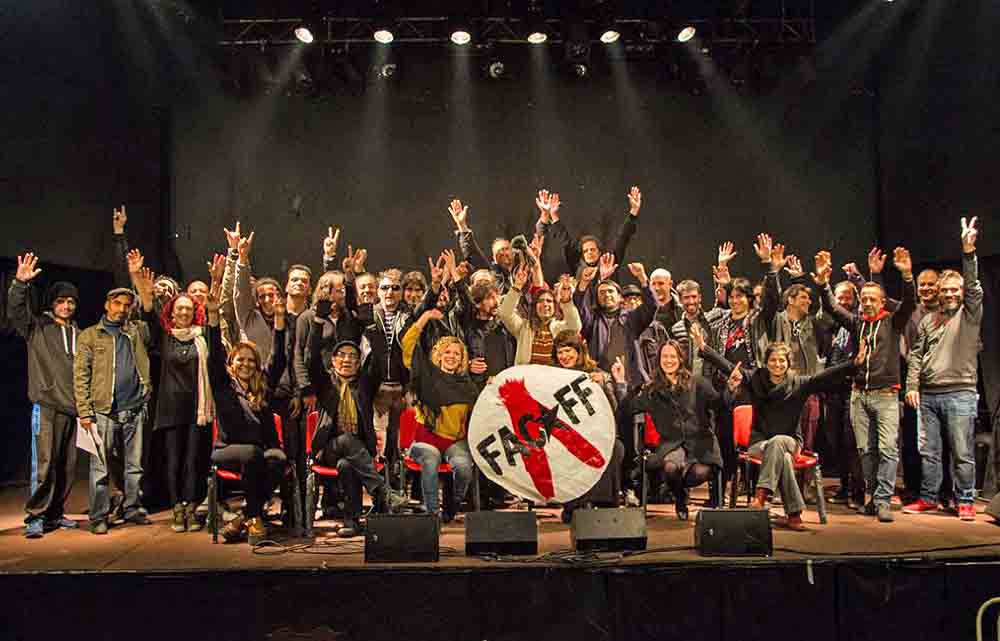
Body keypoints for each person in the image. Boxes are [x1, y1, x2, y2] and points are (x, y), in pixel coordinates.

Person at [710, 339, 866, 531]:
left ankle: (761, 495)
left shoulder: (798, 383)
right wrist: (704, 348)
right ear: (766, 362)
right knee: (782, 456)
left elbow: (825, 376)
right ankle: (793, 514)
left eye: (781, 361)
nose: (777, 364)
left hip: (792, 441)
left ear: (788, 363)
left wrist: (853, 364)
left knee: (780, 443)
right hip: (759, 444)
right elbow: (728, 366)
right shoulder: (756, 379)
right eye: (773, 360)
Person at [813, 246, 915, 522]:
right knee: (865, 451)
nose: (867, 302)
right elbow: (833, 309)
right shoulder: (858, 323)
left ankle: (882, 499)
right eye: (864, 298)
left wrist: (906, 276)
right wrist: (823, 283)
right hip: (859, 395)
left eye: (872, 299)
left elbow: (909, 304)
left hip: (885, 395)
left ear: (882, 302)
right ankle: (872, 495)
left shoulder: (893, 322)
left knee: (887, 449)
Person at [904, 217, 983, 521]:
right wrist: (912, 386)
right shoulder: (927, 320)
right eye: (945, 290)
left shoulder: (970, 314)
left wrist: (968, 253)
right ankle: (929, 498)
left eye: (955, 290)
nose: (950, 294)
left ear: (961, 292)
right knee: (930, 452)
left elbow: (974, 286)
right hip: (929, 395)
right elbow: (915, 356)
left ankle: (965, 501)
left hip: (961, 393)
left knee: (962, 453)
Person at [205, 271, 290, 544]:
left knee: (276, 459)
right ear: (232, 364)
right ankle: (255, 520)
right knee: (254, 453)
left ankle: (247, 515)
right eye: (240, 360)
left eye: (251, 360)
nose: (246, 364)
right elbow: (214, 357)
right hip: (226, 451)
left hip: (258, 452)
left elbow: (277, 360)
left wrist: (279, 323)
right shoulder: (223, 386)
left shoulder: (262, 385)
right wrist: (213, 317)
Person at [74, 250, 156, 534]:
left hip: (134, 407)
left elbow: (149, 308)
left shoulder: (136, 331)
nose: (122, 309)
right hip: (102, 410)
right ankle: (99, 516)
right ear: (107, 304)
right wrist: (84, 412)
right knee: (100, 468)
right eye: (117, 303)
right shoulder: (89, 335)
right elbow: (81, 375)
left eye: (126, 305)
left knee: (134, 465)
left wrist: (137, 278)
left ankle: (132, 508)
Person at [617, 340, 742, 520]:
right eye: (664, 356)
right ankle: (680, 497)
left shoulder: (698, 383)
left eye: (672, 356)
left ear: (680, 359)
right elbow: (627, 409)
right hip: (671, 445)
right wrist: (621, 384)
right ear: (659, 360)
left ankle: (681, 490)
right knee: (669, 467)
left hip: (701, 443)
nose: (668, 360)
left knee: (700, 473)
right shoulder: (652, 390)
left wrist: (730, 389)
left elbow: (719, 405)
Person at [307, 315, 404, 537]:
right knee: (344, 441)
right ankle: (382, 491)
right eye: (341, 356)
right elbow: (311, 359)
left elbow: (380, 358)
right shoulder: (325, 384)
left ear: (359, 363)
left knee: (346, 465)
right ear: (333, 361)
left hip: (357, 451)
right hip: (327, 448)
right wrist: (317, 325)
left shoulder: (364, 384)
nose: (347, 360)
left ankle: (352, 521)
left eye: (352, 356)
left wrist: (371, 325)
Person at [8, 253, 81, 538]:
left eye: (71, 301)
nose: (66, 306)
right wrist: (20, 284)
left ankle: (55, 513)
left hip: (72, 409)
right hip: (47, 405)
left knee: (67, 465)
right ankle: (35, 516)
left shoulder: (78, 332)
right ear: (53, 304)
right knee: (45, 463)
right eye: (61, 301)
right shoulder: (37, 327)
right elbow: (16, 312)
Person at [402, 309, 480, 521]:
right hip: (426, 438)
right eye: (447, 352)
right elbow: (408, 346)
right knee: (430, 459)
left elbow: (480, 414)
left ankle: (452, 507)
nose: (452, 356)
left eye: (456, 353)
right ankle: (432, 513)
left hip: (455, 440)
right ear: (439, 354)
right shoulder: (426, 374)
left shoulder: (468, 386)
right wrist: (425, 318)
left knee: (464, 468)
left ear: (462, 358)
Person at [154, 286, 216, 533]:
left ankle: (191, 507)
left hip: (196, 408)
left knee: (192, 460)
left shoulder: (202, 337)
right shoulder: (165, 336)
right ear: (171, 312)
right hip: (170, 407)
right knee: (173, 461)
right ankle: (177, 508)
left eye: (188, 309)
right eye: (179, 308)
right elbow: (149, 311)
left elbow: (216, 326)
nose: (183, 312)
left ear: (195, 313)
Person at [551, 330, 626, 522]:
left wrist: (605, 385)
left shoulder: (597, 374)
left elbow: (615, 408)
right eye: (560, 352)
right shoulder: (551, 376)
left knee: (615, 448)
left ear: (579, 351)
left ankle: (606, 503)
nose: (564, 356)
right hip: (566, 434)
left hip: (596, 433)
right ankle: (575, 504)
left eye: (568, 351)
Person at [574, 254, 655, 386]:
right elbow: (580, 304)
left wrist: (642, 278)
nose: (606, 295)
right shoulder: (591, 320)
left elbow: (652, 306)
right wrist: (584, 282)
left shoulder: (631, 318)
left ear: (620, 297)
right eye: (602, 292)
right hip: (600, 382)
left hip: (631, 383)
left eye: (610, 291)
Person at [498, 266, 580, 365]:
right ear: (534, 307)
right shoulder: (524, 327)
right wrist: (517, 286)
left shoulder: (559, 328)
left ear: (554, 306)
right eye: (540, 301)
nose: (545, 304)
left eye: (549, 301)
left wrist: (566, 301)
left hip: (553, 377)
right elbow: (504, 313)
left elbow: (575, 327)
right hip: (528, 377)